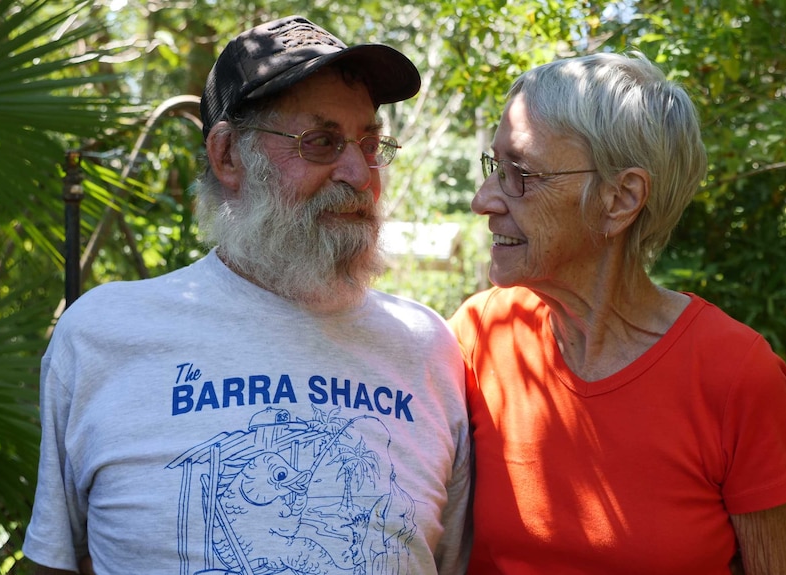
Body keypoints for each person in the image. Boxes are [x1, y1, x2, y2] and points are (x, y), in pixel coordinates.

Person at [23, 15, 470, 575]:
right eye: (323, 142)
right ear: (228, 156)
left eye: (371, 142)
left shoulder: (426, 348)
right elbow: (54, 562)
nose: (360, 173)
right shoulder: (103, 334)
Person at [449, 52, 786, 575]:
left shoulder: (736, 375)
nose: (485, 200)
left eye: (520, 174)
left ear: (620, 199)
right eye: (494, 167)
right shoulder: (481, 334)